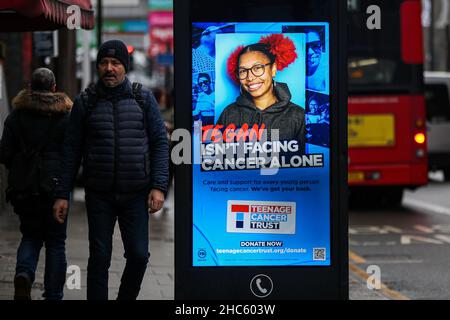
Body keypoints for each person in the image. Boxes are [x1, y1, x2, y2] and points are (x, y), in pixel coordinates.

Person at [52, 40, 169, 300]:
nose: (109, 68)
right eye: (104, 63)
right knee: (100, 258)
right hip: (99, 194)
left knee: (139, 255)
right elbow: (71, 150)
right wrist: (62, 194)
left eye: (115, 63)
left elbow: (161, 143)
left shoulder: (143, 98)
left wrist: (159, 186)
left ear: (124, 68)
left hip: (136, 194)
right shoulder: (86, 101)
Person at [0, 68, 72, 300]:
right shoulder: (65, 116)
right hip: (54, 186)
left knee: (30, 236)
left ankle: (23, 273)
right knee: (55, 242)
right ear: (54, 88)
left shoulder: (17, 115)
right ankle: (53, 294)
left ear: (31, 88)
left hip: (24, 188)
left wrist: (21, 167)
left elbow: (4, 153)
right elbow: (71, 153)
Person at [218, 36, 305, 152]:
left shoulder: (298, 115)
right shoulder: (228, 114)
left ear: (273, 69)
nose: (250, 77)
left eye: (258, 68)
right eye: (243, 71)